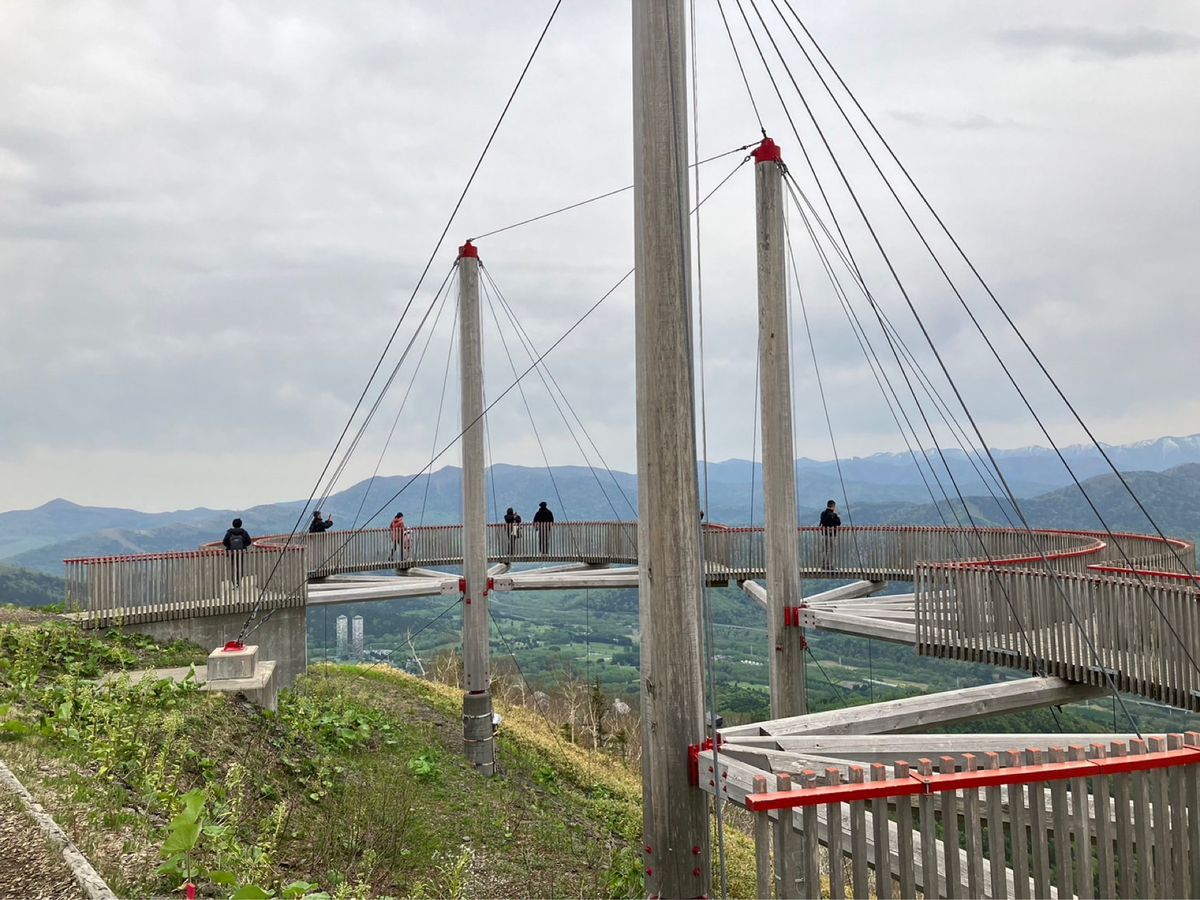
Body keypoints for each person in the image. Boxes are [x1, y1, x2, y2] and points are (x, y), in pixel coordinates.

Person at [222, 517, 252, 582]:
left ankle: (233, 581)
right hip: (241, 552)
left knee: (233, 567)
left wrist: (230, 547)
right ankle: (239, 581)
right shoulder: (244, 532)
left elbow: (224, 542)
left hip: (232, 553)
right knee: (240, 566)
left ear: (233, 524)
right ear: (240, 524)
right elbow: (249, 541)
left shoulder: (229, 533)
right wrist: (243, 546)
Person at [819, 500, 841, 568]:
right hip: (831, 535)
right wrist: (838, 517)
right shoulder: (833, 515)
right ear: (833, 506)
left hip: (824, 535)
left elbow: (822, 522)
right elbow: (838, 523)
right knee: (830, 550)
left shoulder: (822, 513)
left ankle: (823, 564)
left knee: (824, 550)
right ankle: (829, 565)